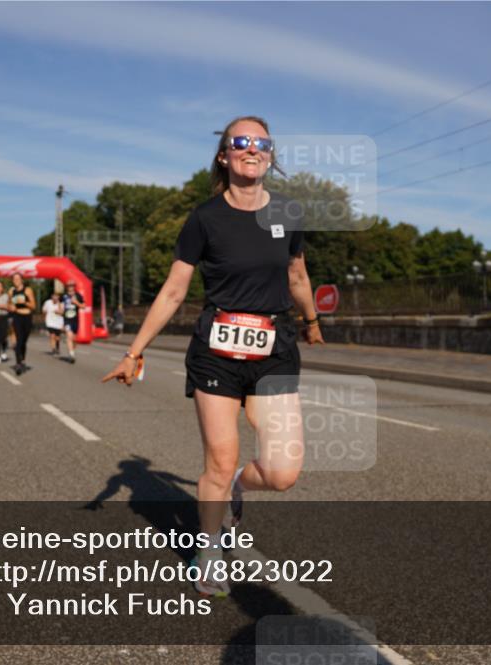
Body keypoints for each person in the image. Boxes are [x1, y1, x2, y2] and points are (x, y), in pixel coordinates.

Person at [102, 116, 324, 597]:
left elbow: (298, 275)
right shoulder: (204, 218)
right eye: (240, 142)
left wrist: (311, 322)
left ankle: (242, 486)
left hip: (275, 348)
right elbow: (174, 290)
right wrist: (134, 351)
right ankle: (208, 548)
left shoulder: (287, 212)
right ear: (224, 155)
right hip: (217, 352)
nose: (251, 148)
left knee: (284, 472)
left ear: (270, 155)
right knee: (219, 462)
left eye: (261, 142)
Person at [7, 272, 36, 375]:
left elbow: (33, 306)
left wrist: (24, 302)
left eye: (18, 279)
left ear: (22, 280)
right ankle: (18, 363)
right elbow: (9, 304)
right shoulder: (11, 291)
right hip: (17, 317)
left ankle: (22, 360)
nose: (16, 281)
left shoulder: (27, 290)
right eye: (14, 279)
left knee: (24, 341)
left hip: (27, 317)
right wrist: (11, 307)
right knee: (19, 340)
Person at [61, 280, 85, 363]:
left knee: (74, 339)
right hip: (67, 320)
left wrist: (76, 303)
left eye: (71, 286)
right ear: (66, 287)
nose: (70, 288)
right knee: (69, 337)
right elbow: (61, 308)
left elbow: (83, 306)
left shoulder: (78, 295)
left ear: (74, 287)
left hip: (75, 319)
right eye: (68, 286)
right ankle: (71, 355)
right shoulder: (63, 296)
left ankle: (72, 351)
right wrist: (60, 311)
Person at [42, 292, 64, 356]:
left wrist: (58, 308)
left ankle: (57, 347)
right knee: (52, 335)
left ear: (58, 297)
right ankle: (53, 349)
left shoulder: (61, 303)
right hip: (50, 322)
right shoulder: (47, 302)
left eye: (57, 296)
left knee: (57, 337)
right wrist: (44, 316)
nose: (55, 297)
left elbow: (61, 313)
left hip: (58, 322)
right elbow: (44, 310)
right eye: (54, 296)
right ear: (52, 296)